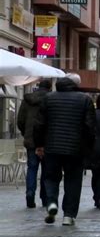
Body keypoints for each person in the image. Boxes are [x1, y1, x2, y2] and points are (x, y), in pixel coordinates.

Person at [33, 74, 96, 226]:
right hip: (76, 148)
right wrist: (88, 148)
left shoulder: (48, 99)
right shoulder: (85, 99)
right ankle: (69, 215)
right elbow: (90, 127)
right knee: (73, 181)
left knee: (50, 177)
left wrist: (39, 145)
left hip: (52, 147)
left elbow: (39, 124)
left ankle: (52, 202)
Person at [17, 79, 51, 208]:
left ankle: (30, 193)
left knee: (32, 168)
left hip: (31, 140)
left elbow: (20, 120)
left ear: (38, 87)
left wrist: (26, 133)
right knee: (46, 170)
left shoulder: (27, 100)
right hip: (47, 141)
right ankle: (45, 197)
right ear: (49, 88)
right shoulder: (51, 100)